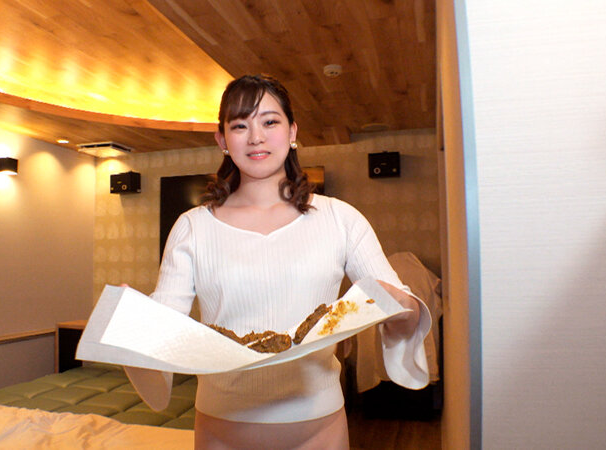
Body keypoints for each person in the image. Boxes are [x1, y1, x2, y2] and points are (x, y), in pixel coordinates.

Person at [124, 74, 430, 449]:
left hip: (319, 428)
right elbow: (165, 328)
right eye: (240, 125)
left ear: (292, 131)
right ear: (222, 140)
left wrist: (400, 304)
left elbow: (404, 312)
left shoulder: (341, 219)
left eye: (270, 121)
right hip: (221, 429)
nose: (256, 137)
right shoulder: (192, 227)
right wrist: (131, 318)